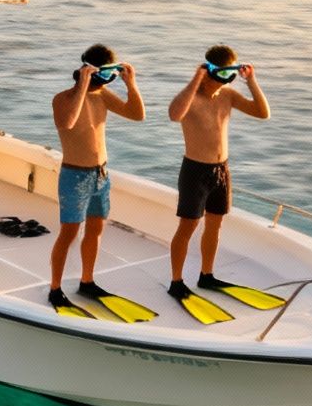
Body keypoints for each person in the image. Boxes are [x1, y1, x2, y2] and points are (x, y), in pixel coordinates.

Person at [165, 44, 270, 323]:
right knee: (188, 226)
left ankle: (207, 276)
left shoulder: (229, 96)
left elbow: (263, 113)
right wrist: (196, 79)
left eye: (231, 73)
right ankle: (176, 281)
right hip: (195, 171)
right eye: (222, 72)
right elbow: (174, 114)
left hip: (221, 170)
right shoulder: (192, 97)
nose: (227, 78)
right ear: (209, 70)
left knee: (216, 223)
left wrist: (252, 81)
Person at [47, 44, 146, 320]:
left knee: (95, 230)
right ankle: (55, 288)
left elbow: (137, 115)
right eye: (105, 74)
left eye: (111, 74)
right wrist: (84, 84)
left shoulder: (103, 96)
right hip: (74, 176)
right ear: (86, 71)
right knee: (69, 233)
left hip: (101, 175)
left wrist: (131, 84)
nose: (107, 80)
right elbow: (67, 123)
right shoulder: (63, 99)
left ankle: (87, 281)